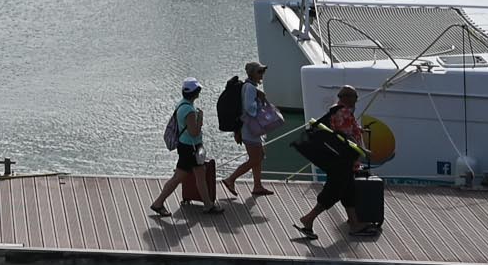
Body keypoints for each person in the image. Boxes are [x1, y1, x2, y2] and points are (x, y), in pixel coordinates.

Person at [292, 87, 365, 241]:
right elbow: (347, 138)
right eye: (355, 96)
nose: (356, 100)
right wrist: (362, 150)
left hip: (340, 159)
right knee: (334, 191)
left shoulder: (336, 110)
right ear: (347, 97)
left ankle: (354, 223)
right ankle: (308, 218)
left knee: (348, 190)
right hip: (342, 160)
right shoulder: (344, 112)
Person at [151, 79, 222, 216]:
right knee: (178, 177)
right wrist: (200, 118)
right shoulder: (189, 110)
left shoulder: (182, 104)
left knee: (198, 174)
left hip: (187, 146)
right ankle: (158, 203)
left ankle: (208, 204)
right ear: (196, 93)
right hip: (191, 148)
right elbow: (194, 132)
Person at [224, 61, 283, 199]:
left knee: (259, 156)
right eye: (259, 72)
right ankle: (230, 179)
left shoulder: (249, 86)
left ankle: (257, 186)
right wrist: (259, 100)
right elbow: (250, 109)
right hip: (250, 129)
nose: (262, 74)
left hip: (250, 129)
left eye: (263, 71)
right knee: (255, 158)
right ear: (252, 73)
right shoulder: (250, 89)